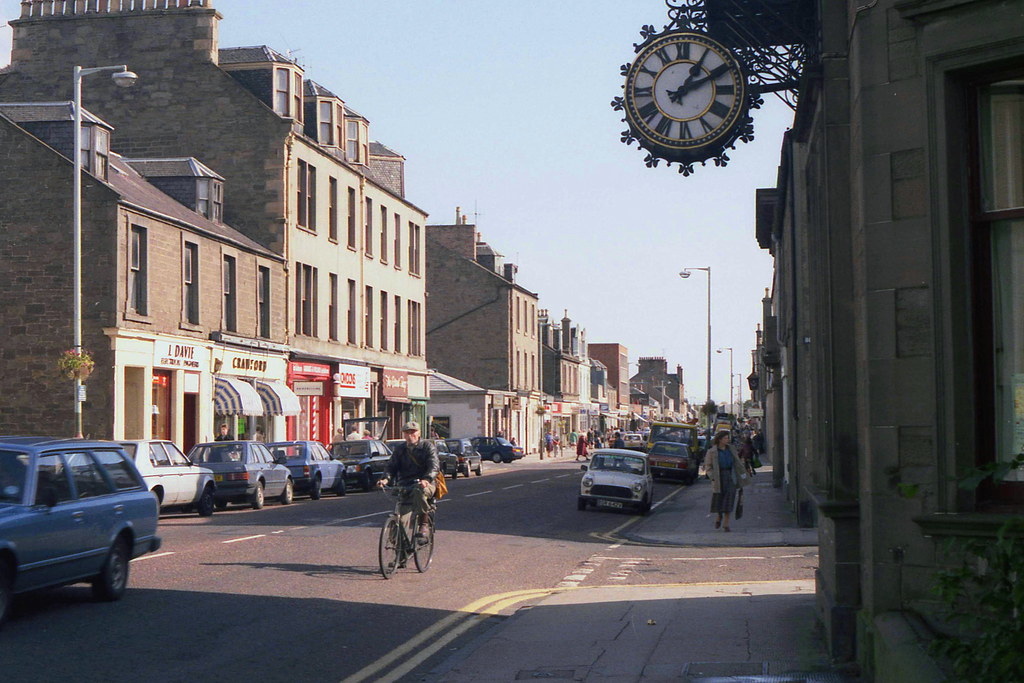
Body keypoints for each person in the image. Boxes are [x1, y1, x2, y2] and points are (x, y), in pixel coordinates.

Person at [377, 421, 439, 542]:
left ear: (419, 433)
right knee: (400, 522)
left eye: (413, 432)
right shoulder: (400, 450)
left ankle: (423, 524)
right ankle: (400, 555)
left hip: (426, 484)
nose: (410, 435)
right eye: (407, 433)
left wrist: (426, 479)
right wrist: (385, 479)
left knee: (419, 490)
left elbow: (434, 466)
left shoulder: (427, 447)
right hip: (405, 486)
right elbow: (391, 467)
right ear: (404, 435)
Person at [704, 430, 751, 532]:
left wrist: (743, 473)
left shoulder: (731, 449)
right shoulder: (712, 452)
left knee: (730, 498)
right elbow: (708, 466)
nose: (727, 440)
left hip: (731, 475)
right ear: (720, 440)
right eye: (725, 438)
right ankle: (719, 516)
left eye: (728, 438)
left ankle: (726, 523)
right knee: (719, 499)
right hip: (719, 477)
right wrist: (712, 476)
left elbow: (737, 462)